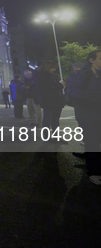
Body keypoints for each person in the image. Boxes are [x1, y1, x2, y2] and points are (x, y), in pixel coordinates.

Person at [66, 50, 101, 185]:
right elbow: (73, 90)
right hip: (87, 114)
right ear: (91, 60)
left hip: (98, 113)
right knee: (93, 143)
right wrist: (95, 99)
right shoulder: (83, 74)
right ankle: (94, 172)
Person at [36, 61, 66, 137]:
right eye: (52, 68)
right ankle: (46, 136)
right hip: (48, 101)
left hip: (56, 100)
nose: (54, 70)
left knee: (55, 120)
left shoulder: (52, 76)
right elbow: (48, 87)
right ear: (47, 68)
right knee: (48, 119)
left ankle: (56, 136)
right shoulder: (42, 77)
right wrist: (60, 85)